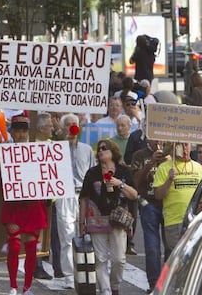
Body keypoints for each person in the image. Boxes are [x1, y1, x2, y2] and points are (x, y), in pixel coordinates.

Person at [0, 114, 47, 295]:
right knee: (13, 245)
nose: (20, 134)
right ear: (12, 133)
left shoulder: (37, 150)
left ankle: (27, 287)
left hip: (33, 206)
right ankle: (13, 286)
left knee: (31, 248)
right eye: (17, 131)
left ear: (28, 132)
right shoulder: (4, 150)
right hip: (13, 206)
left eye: (23, 130)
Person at [79, 140, 138, 295]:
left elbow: (134, 195)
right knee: (100, 259)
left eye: (104, 149)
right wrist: (81, 223)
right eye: (99, 149)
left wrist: (120, 184)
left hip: (117, 221)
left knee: (119, 259)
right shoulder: (92, 173)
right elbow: (84, 198)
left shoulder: (123, 171)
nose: (101, 151)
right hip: (96, 220)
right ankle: (105, 290)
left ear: (113, 151)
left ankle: (115, 286)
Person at [57, 113, 96, 289]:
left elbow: (92, 174)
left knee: (85, 234)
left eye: (74, 125)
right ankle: (68, 275)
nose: (72, 128)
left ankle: (85, 270)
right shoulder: (57, 148)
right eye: (68, 125)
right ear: (63, 128)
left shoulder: (87, 149)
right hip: (64, 194)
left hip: (83, 195)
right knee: (66, 235)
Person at [131, 140, 171, 293]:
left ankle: (167, 281)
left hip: (168, 203)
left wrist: (168, 161)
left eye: (162, 139)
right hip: (149, 203)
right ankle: (154, 283)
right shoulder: (139, 155)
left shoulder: (172, 154)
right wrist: (151, 162)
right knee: (152, 246)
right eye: (156, 138)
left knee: (170, 246)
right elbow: (135, 180)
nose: (159, 142)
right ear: (149, 138)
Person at [153, 142, 202, 253]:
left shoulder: (199, 168)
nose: (184, 149)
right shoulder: (164, 168)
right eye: (180, 146)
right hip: (174, 222)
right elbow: (158, 195)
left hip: (195, 220)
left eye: (186, 145)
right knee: (177, 258)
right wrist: (169, 180)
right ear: (174, 148)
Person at [34, 112, 63, 279]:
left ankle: (58, 267)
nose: (52, 128)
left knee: (55, 235)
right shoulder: (32, 145)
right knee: (38, 235)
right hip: (36, 198)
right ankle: (37, 266)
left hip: (50, 198)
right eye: (50, 126)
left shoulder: (54, 145)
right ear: (41, 128)